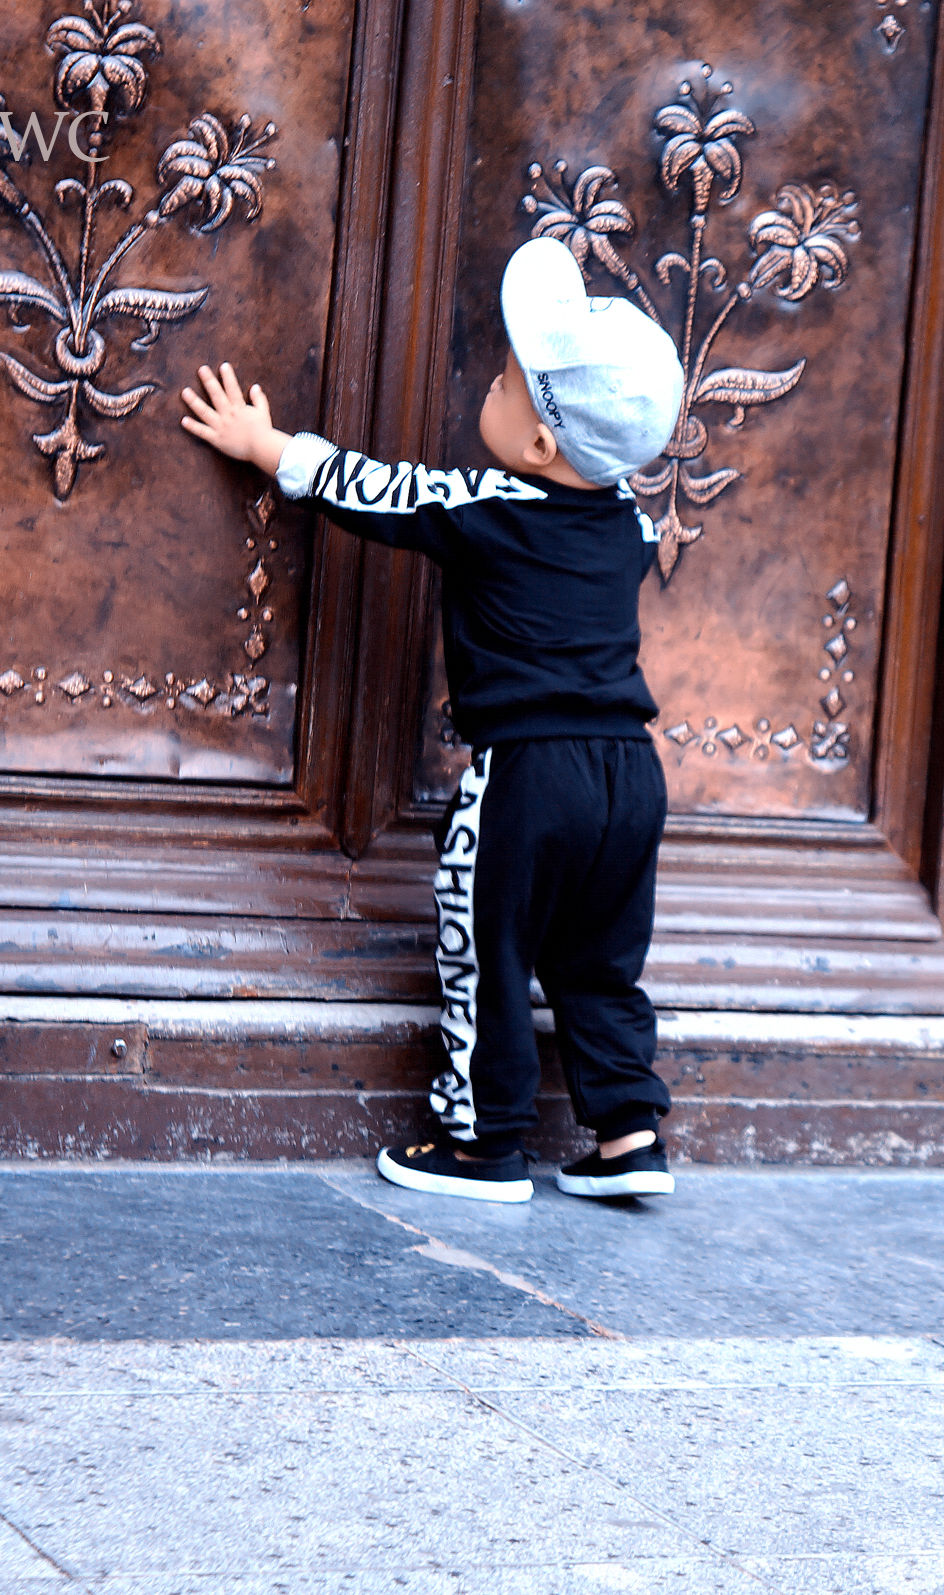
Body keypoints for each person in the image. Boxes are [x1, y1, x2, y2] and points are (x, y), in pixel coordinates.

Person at [180, 237, 685, 1205]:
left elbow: (375, 490)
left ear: (542, 446)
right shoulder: (632, 522)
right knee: (602, 960)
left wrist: (266, 447)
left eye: (502, 385)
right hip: (631, 773)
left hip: (529, 776)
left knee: (483, 948)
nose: (483, 393)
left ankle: (482, 1144)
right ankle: (628, 1134)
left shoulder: (488, 502)